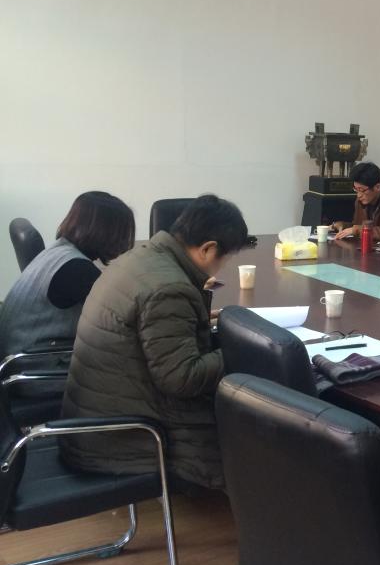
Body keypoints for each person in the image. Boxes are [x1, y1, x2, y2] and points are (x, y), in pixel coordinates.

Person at [61, 194, 251, 491]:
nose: (222, 267)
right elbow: (182, 378)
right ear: (207, 249)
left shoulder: (141, 257)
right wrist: (243, 352)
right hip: (124, 438)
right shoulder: (169, 288)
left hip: (95, 420)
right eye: (225, 258)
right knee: (262, 430)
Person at [0, 191, 134, 357]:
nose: (124, 241)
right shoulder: (77, 270)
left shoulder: (59, 252)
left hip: (21, 349)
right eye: (122, 233)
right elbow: (122, 322)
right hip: (34, 361)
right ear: (106, 232)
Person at [330, 161, 380, 243]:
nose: (358, 195)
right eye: (356, 189)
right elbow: (357, 226)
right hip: (365, 247)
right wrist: (342, 225)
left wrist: (357, 230)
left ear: (377, 187)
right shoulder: (360, 201)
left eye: (362, 190)